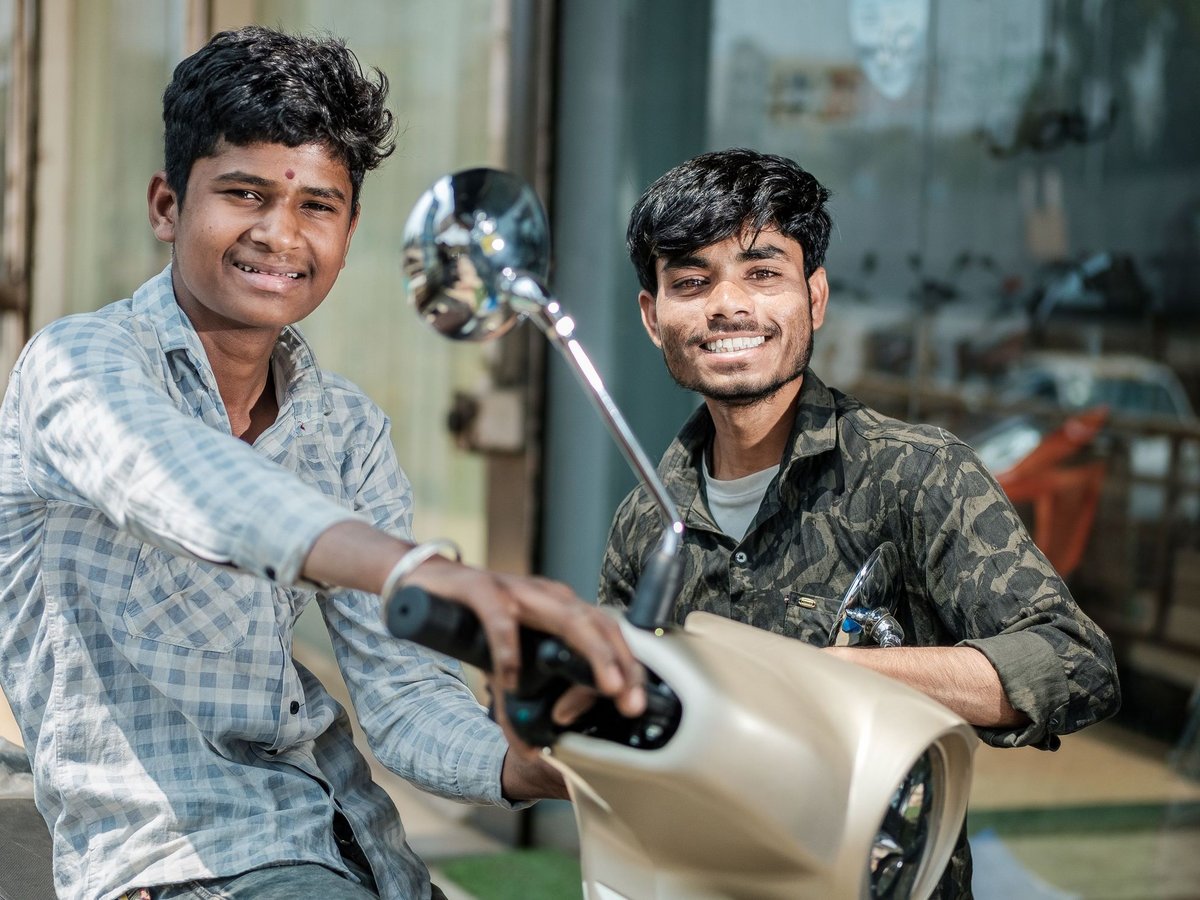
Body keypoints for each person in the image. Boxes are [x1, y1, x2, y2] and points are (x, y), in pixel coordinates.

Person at [0, 26, 643, 900]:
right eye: (244, 193)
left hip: (359, 845)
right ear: (165, 205)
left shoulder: (345, 429)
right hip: (179, 864)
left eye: (316, 206)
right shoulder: (76, 366)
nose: (279, 235)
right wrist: (423, 572)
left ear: (350, 230)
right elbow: (187, 487)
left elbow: (403, 693)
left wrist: (532, 765)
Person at [598, 148, 1120, 898]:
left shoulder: (916, 472)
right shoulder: (645, 520)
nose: (727, 305)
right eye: (691, 281)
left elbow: (1075, 661)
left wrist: (836, 679)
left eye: (763, 272)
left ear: (815, 297)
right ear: (654, 316)